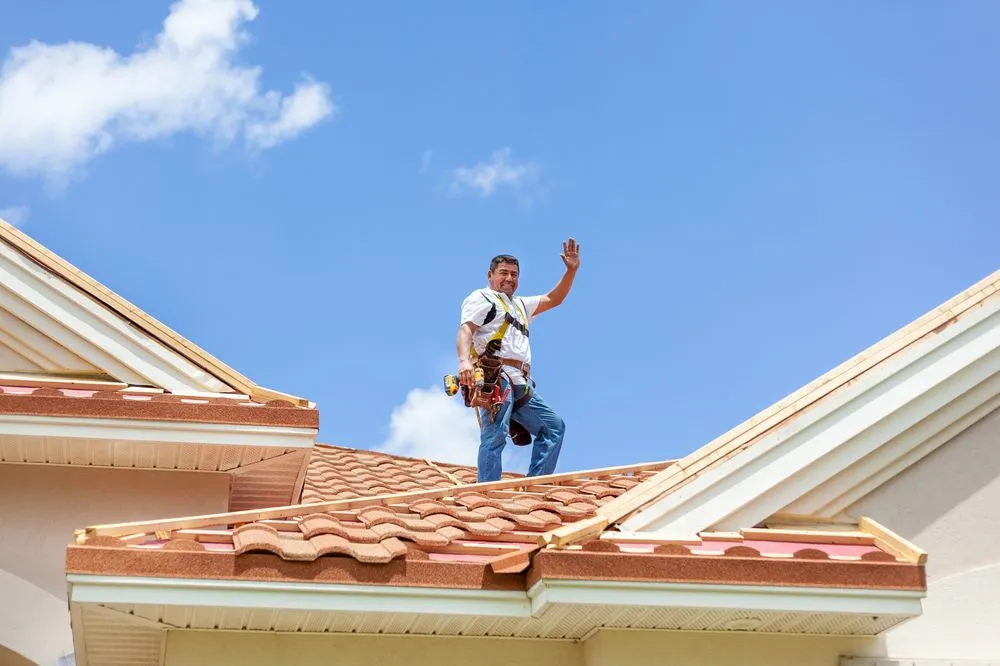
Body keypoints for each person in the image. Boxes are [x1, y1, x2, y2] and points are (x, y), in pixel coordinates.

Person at [456, 238, 580, 482]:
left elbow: (554, 299)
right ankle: (488, 491)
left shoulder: (520, 305)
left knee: (554, 427)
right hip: (496, 377)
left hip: (521, 382)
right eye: (503, 273)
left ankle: (534, 487)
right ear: (490, 275)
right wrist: (464, 362)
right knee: (496, 434)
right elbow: (466, 330)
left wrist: (571, 270)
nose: (509, 278)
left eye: (514, 274)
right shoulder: (482, 298)